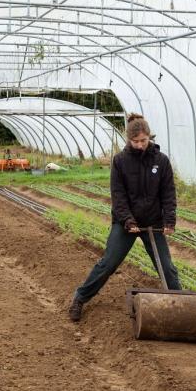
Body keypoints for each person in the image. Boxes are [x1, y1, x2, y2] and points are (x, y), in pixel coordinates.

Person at [69, 113, 181, 322]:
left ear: (150, 137)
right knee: (108, 263)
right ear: (129, 140)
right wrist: (128, 220)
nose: (140, 145)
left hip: (153, 223)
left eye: (144, 141)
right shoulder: (120, 161)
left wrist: (169, 220)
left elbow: (168, 193)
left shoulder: (161, 161)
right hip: (126, 224)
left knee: (166, 267)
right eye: (136, 141)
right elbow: (118, 196)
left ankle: (181, 307)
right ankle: (80, 298)